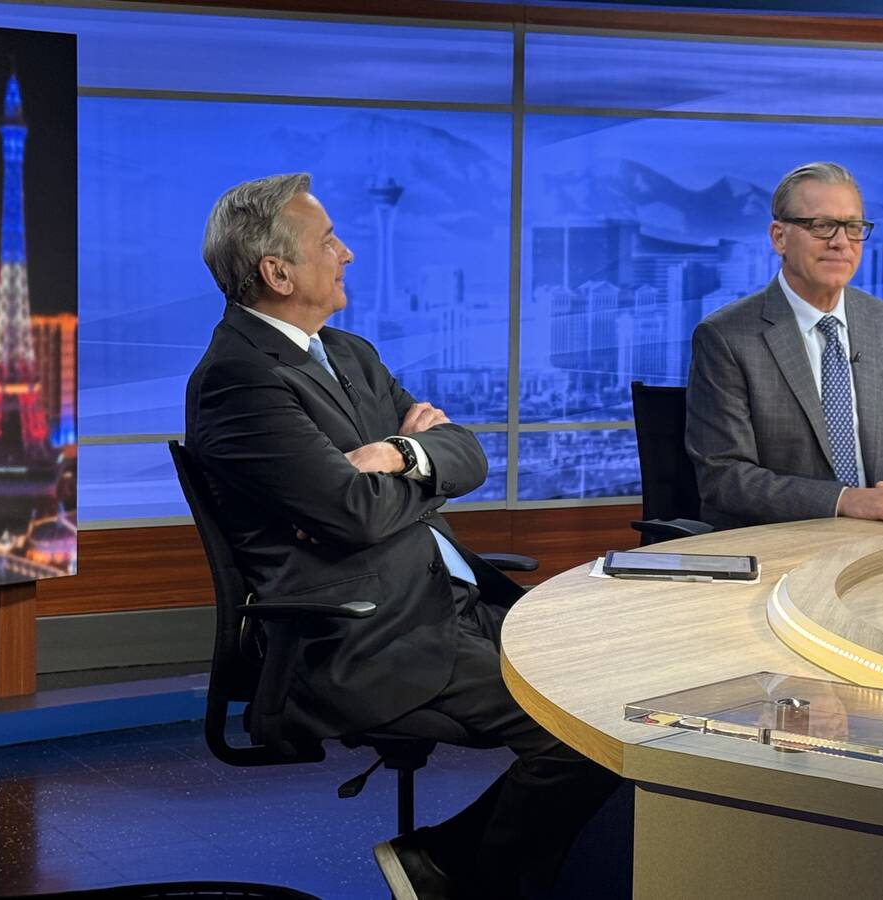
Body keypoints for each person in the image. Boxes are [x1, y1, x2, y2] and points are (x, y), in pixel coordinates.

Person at [186, 173, 618, 900]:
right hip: (369, 634)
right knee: (584, 733)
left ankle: (447, 862)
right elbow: (351, 514)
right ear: (277, 270)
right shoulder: (239, 380)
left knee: (610, 690)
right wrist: (407, 470)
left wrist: (399, 455)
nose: (347, 253)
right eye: (328, 242)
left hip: (448, 600)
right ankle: (472, 878)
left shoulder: (346, 353)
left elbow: (468, 455)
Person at [685, 161, 883, 529]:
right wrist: (846, 500)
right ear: (779, 237)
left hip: (882, 534)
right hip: (779, 541)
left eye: (853, 227)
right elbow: (726, 478)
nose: (840, 242)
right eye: (821, 226)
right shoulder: (727, 337)